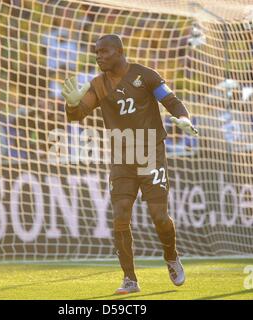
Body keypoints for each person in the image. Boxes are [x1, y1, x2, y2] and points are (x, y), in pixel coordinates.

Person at [61, 34, 198, 294]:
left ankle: (171, 256)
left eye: (104, 51)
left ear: (120, 52)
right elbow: (77, 116)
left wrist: (182, 117)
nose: (99, 56)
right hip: (122, 158)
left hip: (150, 152)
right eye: (96, 52)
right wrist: (71, 103)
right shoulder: (98, 85)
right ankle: (130, 279)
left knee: (159, 217)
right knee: (120, 215)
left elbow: (171, 101)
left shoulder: (145, 75)